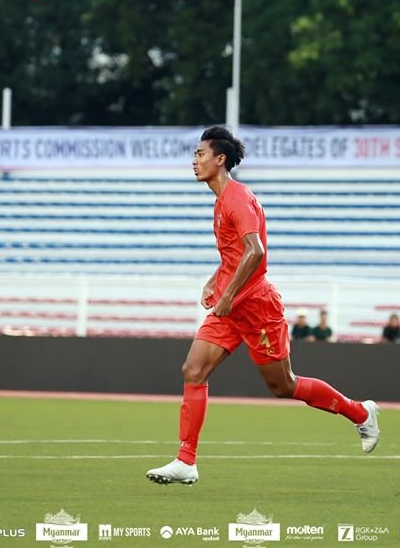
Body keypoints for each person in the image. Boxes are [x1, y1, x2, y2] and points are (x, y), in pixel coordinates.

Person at [146, 126, 379, 485]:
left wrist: (226, 295)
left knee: (283, 385)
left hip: (256, 306)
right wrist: (215, 280)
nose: (194, 161)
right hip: (231, 307)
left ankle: (359, 412)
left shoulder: (237, 198)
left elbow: (256, 252)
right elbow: (235, 254)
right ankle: (186, 461)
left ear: (219, 160)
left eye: (200, 154)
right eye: (194, 155)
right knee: (193, 370)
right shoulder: (220, 200)